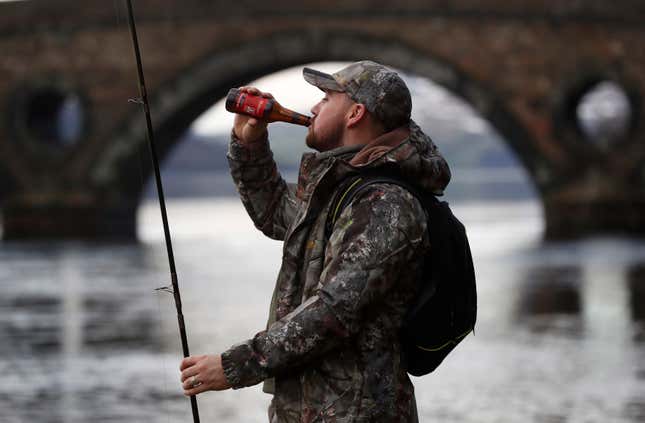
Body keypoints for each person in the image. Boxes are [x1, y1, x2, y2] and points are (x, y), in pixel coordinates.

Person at [179, 61, 451, 422]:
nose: (314, 108)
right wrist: (249, 143)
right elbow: (276, 213)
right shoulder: (344, 192)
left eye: (326, 98)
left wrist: (233, 366)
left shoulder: (384, 203)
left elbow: (333, 311)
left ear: (355, 113)